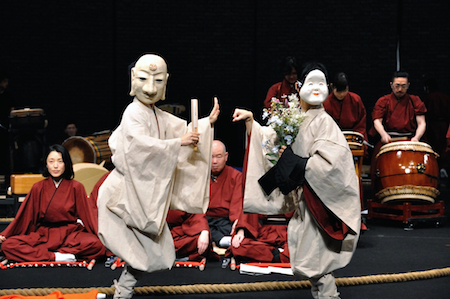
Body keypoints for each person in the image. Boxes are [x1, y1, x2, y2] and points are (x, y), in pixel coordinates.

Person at [232, 62, 361, 299]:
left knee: (316, 257)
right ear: (299, 86)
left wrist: (296, 162)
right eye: (310, 84)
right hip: (306, 199)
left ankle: (328, 295)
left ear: (329, 88)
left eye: (321, 84)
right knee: (310, 256)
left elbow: (334, 165)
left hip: (319, 200)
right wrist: (252, 122)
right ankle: (325, 293)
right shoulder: (297, 116)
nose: (315, 89)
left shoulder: (325, 122)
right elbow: (272, 139)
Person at [97, 53, 220, 299]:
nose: (151, 88)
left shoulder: (154, 113)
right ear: (133, 80)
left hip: (142, 196)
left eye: (158, 80)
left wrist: (207, 122)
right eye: (143, 79)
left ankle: (124, 288)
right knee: (142, 250)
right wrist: (178, 143)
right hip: (123, 197)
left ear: (166, 82)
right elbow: (140, 147)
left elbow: (181, 129)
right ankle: (124, 290)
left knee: (151, 251)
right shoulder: (133, 113)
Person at [0, 144, 106, 263]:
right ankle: (58, 256)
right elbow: (25, 216)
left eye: (60, 161)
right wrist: (6, 233)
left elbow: (88, 216)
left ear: (66, 164)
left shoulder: (76, 187)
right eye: (51, 161)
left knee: (98, 245)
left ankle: (49, 254)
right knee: (8, 245)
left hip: (70, 234)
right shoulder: (38, 187)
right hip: (44, 235)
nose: (55, 166)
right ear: (46, 164)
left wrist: (103, 236)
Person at [369, 71, 427, 187]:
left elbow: (422, 123)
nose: (400, 89)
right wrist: (383, 134)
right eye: (397, 86)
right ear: (391, 85)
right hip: (388, 140)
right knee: (378, 170)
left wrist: (416, 138)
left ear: (408, 85)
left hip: (409, 140)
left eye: (403, 86)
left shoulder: (414, 100)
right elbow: (377, 121)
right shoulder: (383, 101)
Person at [207, 140, 244, 248]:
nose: (214, 161)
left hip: (226, 221)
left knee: (243, 229)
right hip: (205, 219)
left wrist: (237, 225)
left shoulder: (236, 176)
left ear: (226, 156)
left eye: (219, 156)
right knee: (196, 227)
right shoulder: (200, 175)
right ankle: (221, 239)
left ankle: (218, 238)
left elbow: (237, 204)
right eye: (211, 157)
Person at [323, 72, 368, 151]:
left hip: (353, 138)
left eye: (344, 90)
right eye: (338, 91)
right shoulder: (326, 103)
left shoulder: (356, 100)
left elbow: (361, 123)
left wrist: (356, 137)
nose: (341, 94)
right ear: (332, 87)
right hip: (333, 139)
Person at [422, 77, 450, 175]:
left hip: (431, 125)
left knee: (431, 146)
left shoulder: (427, 98)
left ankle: (433, 167)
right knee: (443, 146)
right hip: (443, 125)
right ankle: (443, 167)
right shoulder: (444, 97)